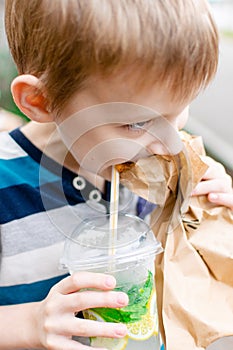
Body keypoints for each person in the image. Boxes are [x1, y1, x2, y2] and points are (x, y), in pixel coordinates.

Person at [0, 0, 232, 349]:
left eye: (180, 108)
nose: (168, 145)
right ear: (41, 101)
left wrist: (212, 212)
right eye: (136, 123)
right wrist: (29, 324)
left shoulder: (160, 171)